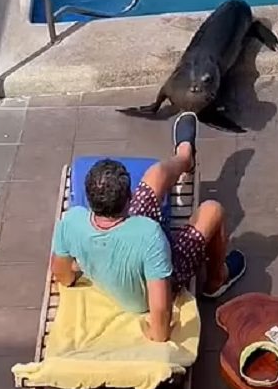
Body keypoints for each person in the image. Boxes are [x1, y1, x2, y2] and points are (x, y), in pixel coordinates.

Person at [49, 112, 245, 342]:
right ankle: (216, 281)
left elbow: (62, 275)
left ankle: (185, 156)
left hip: (119, 261)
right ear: (130, 199)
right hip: (145, 292)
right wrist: (158, 335)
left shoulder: (72, 221)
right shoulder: (149, 235)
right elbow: (160, 306)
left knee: (158, 174)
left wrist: (85, 267)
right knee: (213, 210)